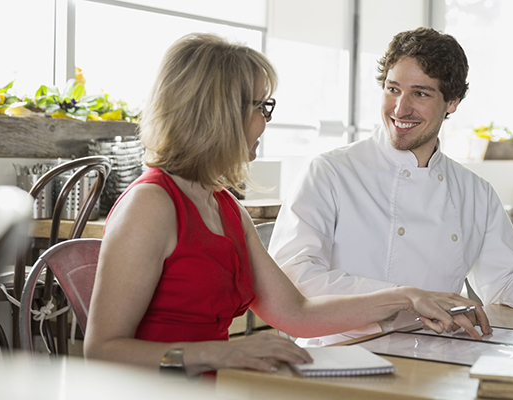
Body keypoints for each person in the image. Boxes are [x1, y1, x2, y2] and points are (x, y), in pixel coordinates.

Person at [83, 32, 489, 378]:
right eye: (261, 107)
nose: (266, 120)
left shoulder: (225, 207)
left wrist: (408, 297)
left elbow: (297, 313)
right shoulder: (151, 205)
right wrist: (217, 352)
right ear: (221, 114)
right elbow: (101, 351)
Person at [269, 27, 513, 346]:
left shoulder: (474, 191)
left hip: (438, 347)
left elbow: (505, 275)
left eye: (420, 94)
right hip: (341, 351)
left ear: (452, 103)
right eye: (393, 89)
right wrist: (406, 298)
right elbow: (295, 280)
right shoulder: (330, 172)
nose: (400, 108)